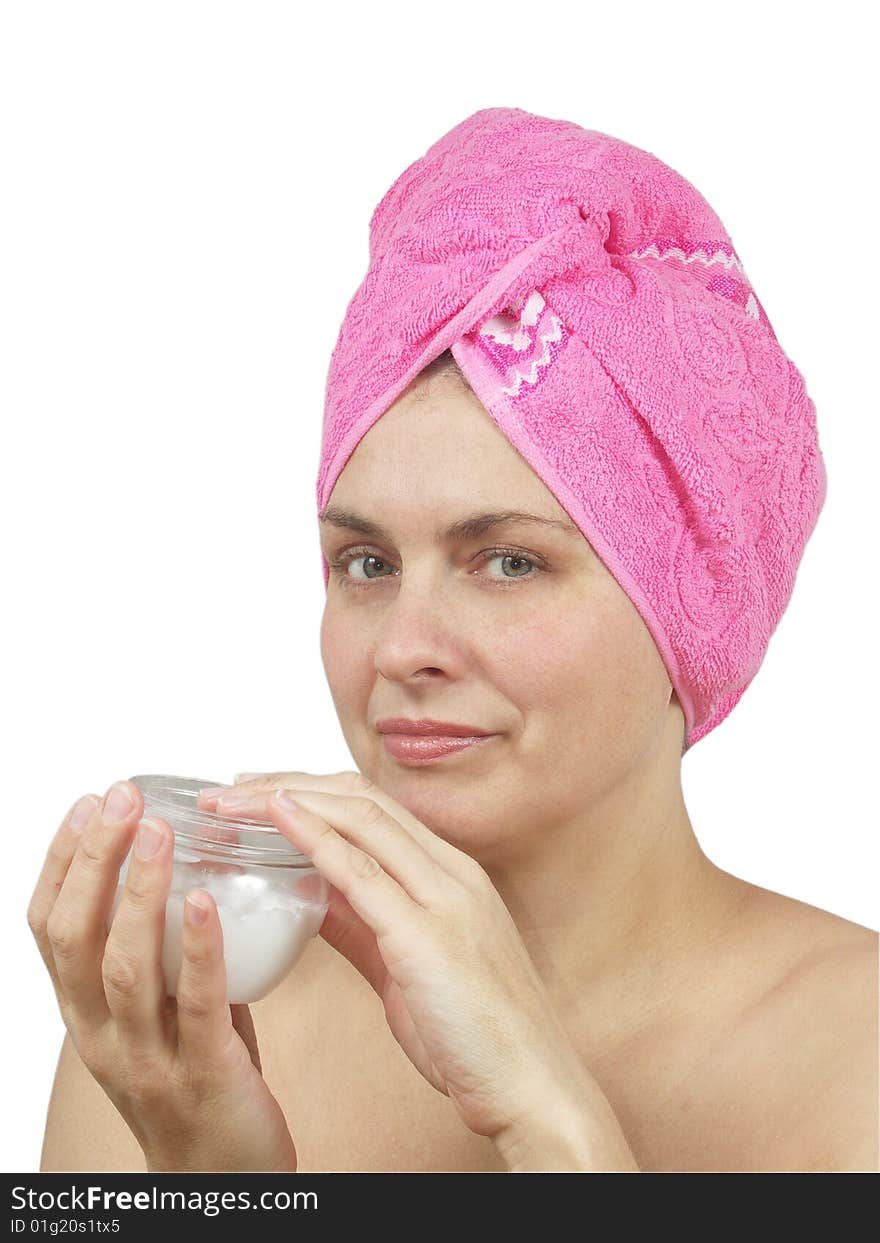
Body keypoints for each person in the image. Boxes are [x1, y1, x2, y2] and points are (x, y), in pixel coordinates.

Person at [30, 108, 879, 1172]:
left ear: (692, 608)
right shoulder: (193, 1036)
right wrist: (215, 1184)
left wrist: (560, 1128)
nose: (403, 648)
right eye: (367, 563)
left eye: (507, 560)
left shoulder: (858, 1066)